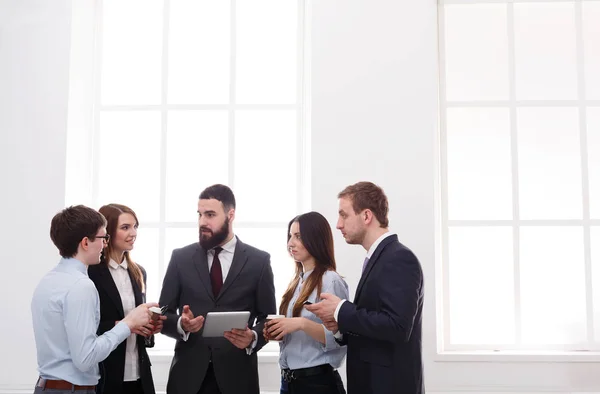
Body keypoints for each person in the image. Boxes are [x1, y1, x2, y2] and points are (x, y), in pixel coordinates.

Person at [306, 182, 425, 394]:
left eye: (344, 215)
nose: (338, 225)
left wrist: (341, 309)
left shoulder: (398, 258)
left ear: (366, 216)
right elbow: (374, 325)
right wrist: (339, 325)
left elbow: (398, 327)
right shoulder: (379, 258)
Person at [158, 184, 277, 394]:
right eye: (200, 214)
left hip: (238, 379)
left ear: (230, 215)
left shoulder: (258, 261)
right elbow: (162, 314)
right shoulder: (180, 258)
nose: (203, 221)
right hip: (188, 379)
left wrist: (253, 338)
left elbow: (268, 317)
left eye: (210, 214)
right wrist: (181, 325)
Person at [31, 205, 156, 394]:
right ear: (85, 243)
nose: (105, 244)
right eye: (102, 238)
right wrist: (128, 324)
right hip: (72, 390)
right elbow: (86, 358)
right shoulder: (82, 285)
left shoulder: (48, 280)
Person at [264, 212, 348, 394]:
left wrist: (300, 324)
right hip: (288, 382)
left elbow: (339, 338)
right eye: (290, 236)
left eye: (298, 237)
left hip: (316, 384)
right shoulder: (296, 283)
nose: (290, 243)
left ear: (315, 239)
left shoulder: (330, 280)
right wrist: (278, 331)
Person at [88, 204, 166, 394]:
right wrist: (124, 325)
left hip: (139, 374)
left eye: (135, 226)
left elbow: (140, 327)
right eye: (125, 227)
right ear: (107, 233)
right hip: (107, 374)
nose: (133, 233)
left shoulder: (139, 272)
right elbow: (86, 327)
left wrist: (150, 327)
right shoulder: (91, 273)